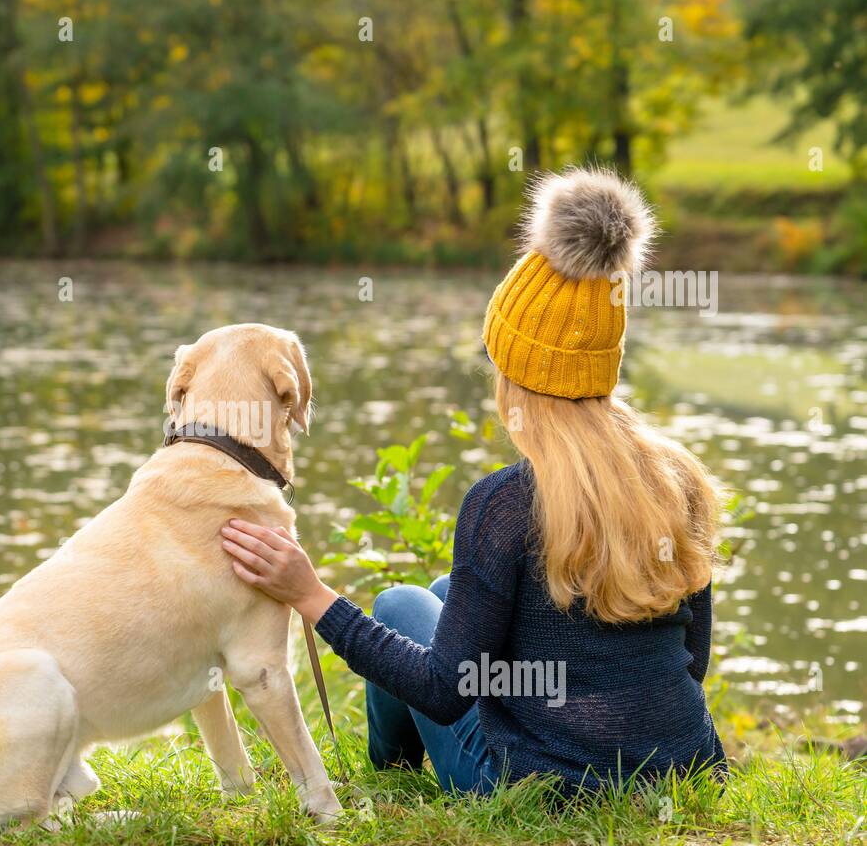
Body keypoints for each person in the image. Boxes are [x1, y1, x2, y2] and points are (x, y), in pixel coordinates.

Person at [222, 167, 727, 795]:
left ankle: (392, 775)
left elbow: (442, 688)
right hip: (685, 766)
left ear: (516, 374)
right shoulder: (676, 480)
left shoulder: (506, 505)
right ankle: (404, 770)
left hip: (544, 787)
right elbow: (691, 663)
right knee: (445, 588)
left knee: (401, 604)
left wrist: (310, 594)